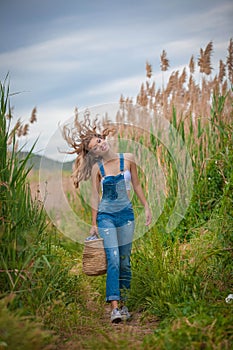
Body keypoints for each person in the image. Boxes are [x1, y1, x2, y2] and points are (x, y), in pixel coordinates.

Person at [63, 114, 152, 323]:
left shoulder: (128, 158)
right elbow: (95, 197)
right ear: (93, 154)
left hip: (127, 215)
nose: (99, 146)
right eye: (94, 147)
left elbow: (137, 185)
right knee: (112, 258)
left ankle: (126, 304)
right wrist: (94, 224)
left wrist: (146, 206)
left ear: (104, 139)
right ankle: (114, 308)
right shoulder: (97, 169)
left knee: (124, 261)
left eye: (99, 141)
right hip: (106, 217)